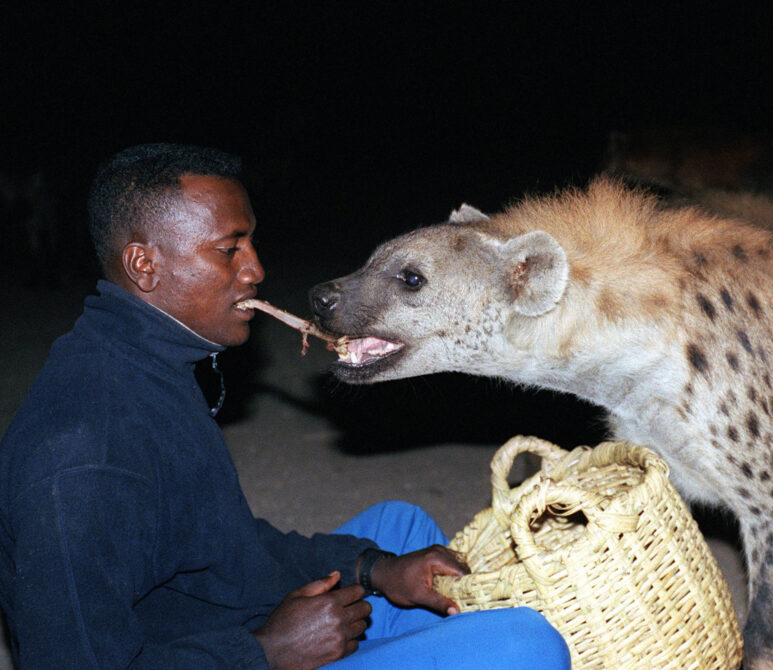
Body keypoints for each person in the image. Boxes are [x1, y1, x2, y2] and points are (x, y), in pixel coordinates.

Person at [0, 143, 571, 669]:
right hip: (220, 652)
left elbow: (223, 548)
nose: (255, 270)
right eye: (229, 250)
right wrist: (266, 650)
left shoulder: (142, 366)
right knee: (527, 645)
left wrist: (372, 568)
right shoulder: (80, 456)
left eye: (249, 243)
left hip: (214, 626)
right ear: (144, 266)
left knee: (401, 532)